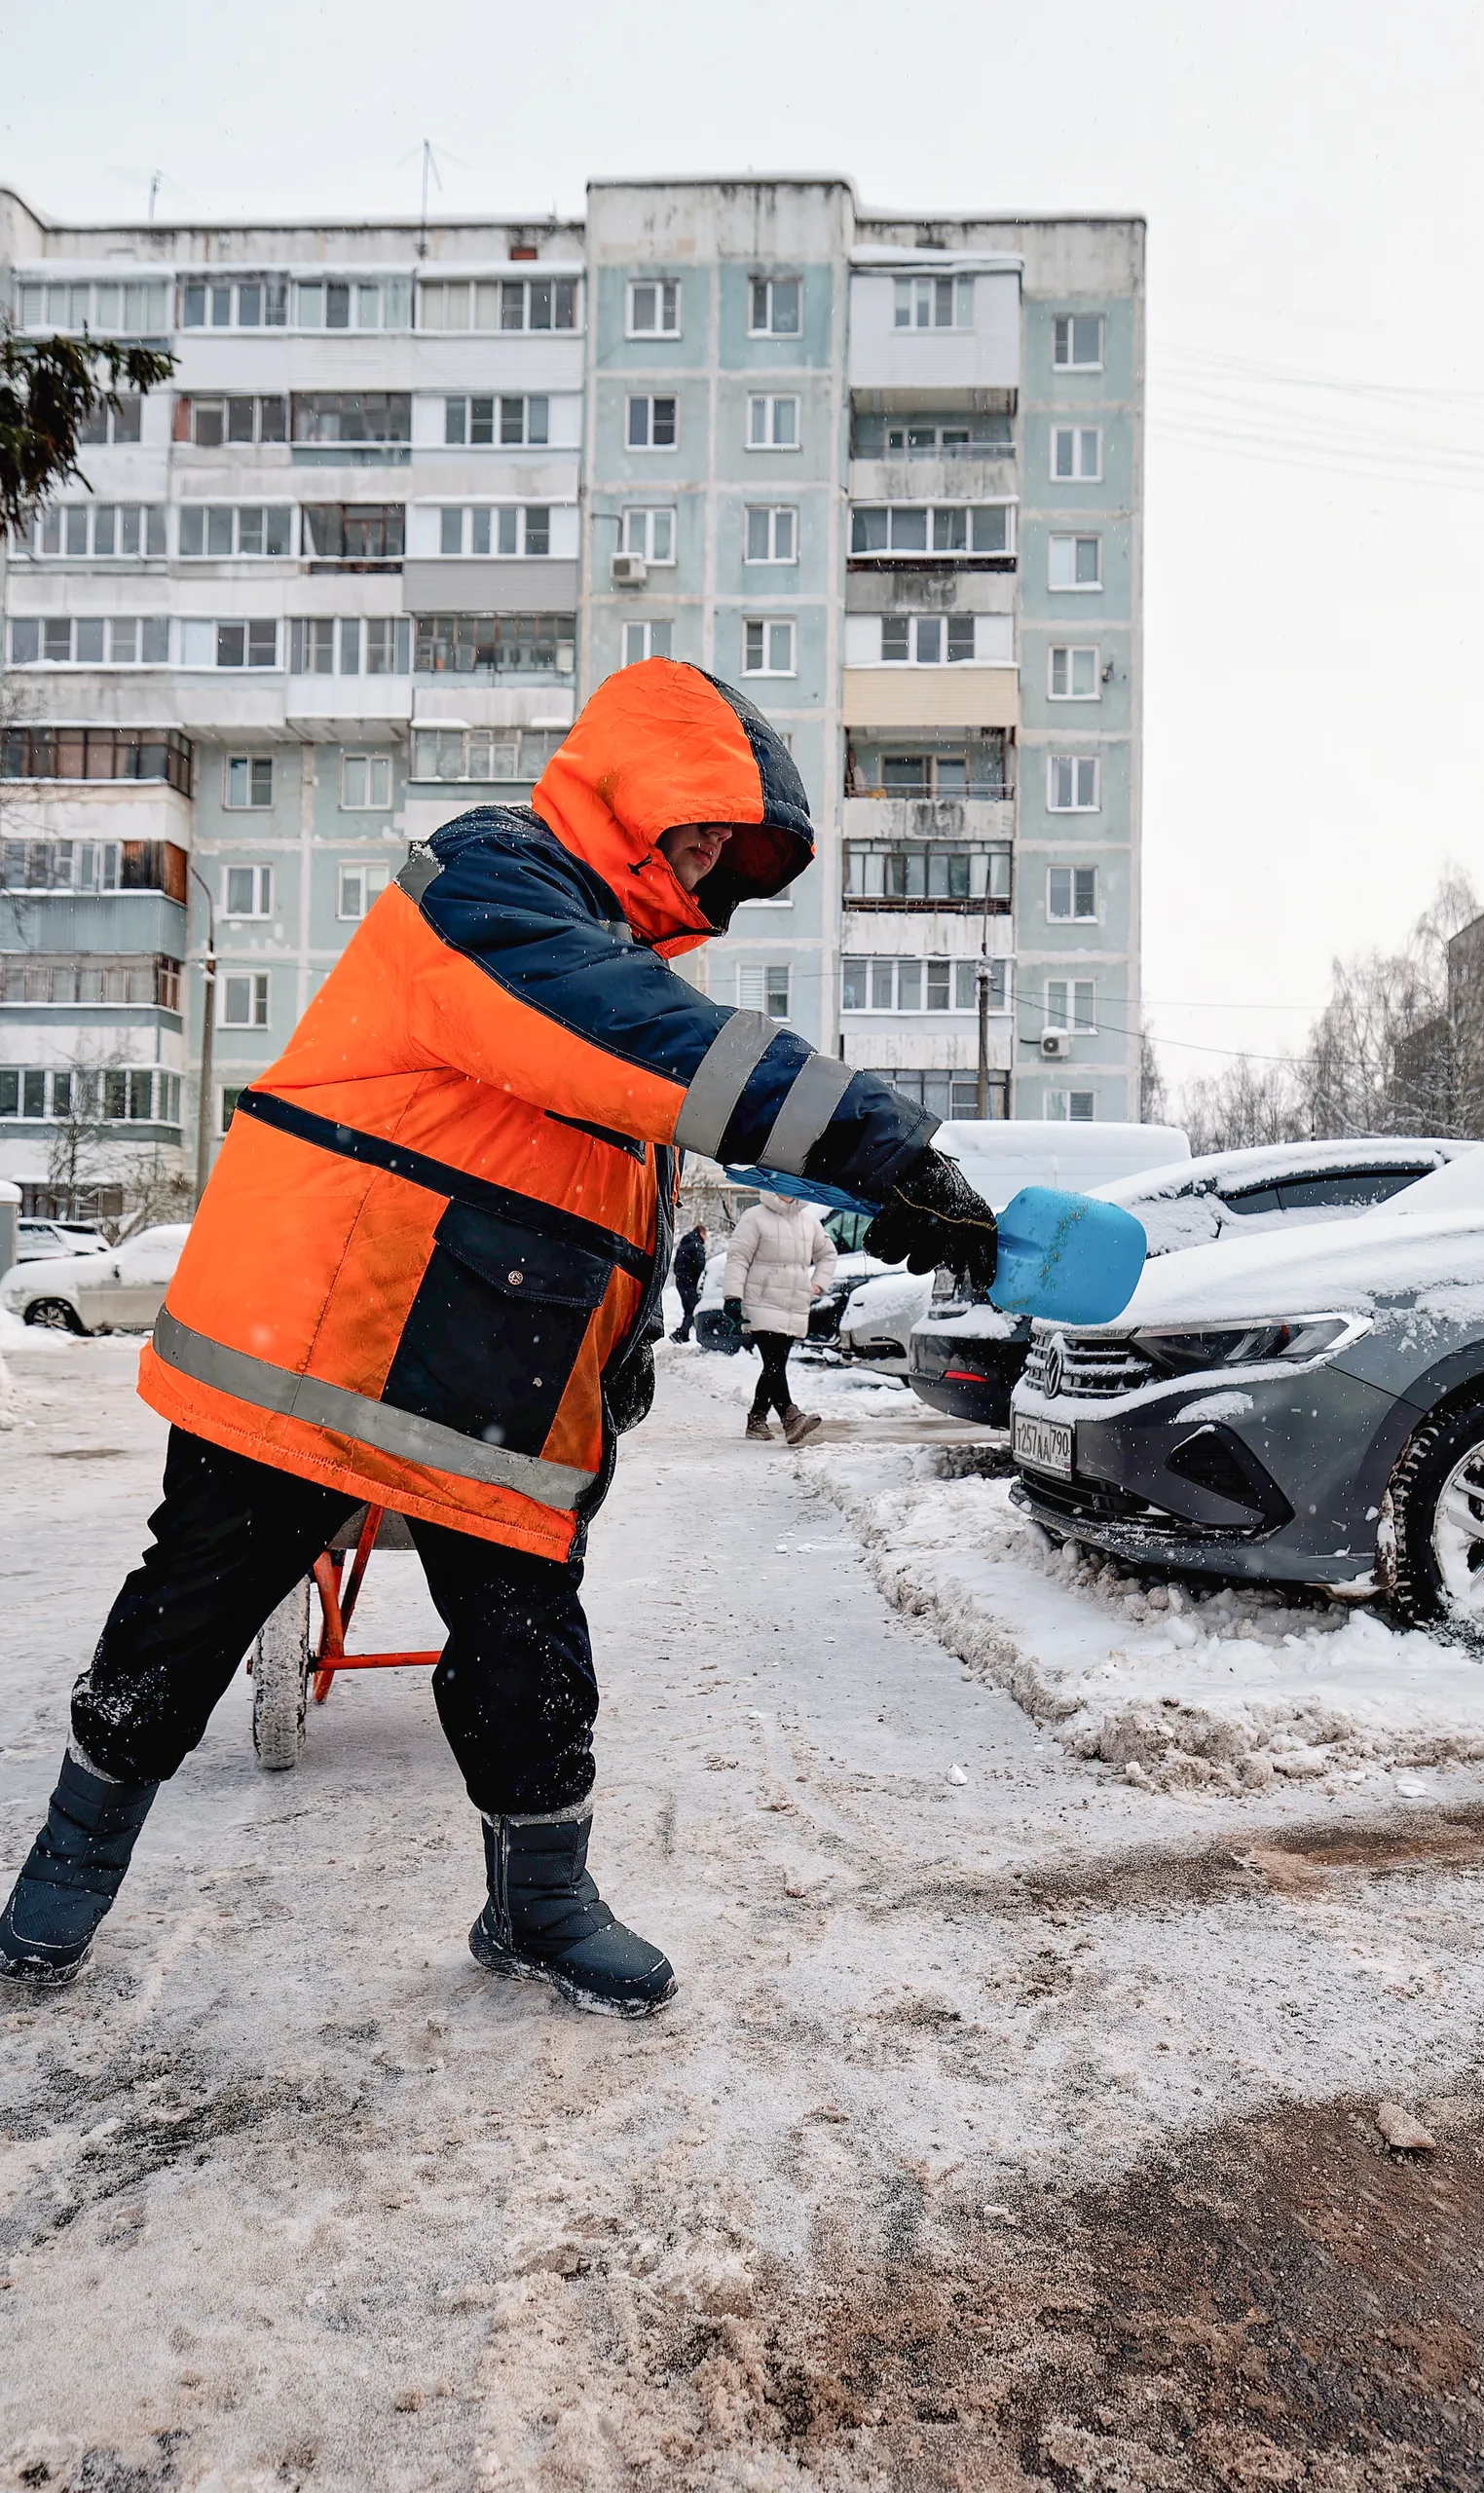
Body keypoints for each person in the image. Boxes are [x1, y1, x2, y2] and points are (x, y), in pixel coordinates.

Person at [0, 658, 998, 2018]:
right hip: (318, 1338)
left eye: (729, 846)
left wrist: (630, 1349)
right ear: (636, 791)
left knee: (528, 1649)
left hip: (484, 1367)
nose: (709, 857)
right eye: (699, 823)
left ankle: (539, 1905)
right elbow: (641, 1041)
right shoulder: (488, 885)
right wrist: (884, 1137)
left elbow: (605, 1193)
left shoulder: (608, 954)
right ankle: (58, 1887)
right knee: (186, 1618)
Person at [721, 1193, 835, 1444]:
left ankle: (757, 1418)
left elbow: (828, 1254)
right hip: (760, 1301)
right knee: (773, 1362)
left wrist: (818, 1284)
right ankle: (790, 1416)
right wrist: (732, 1297)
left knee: (775, 1365)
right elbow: (738, 1258)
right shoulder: (754, 1218)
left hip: (794, 1304)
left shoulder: (808, 1222)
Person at [670, 1220, 708, 1342]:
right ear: (701, 1233)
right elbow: (700, 1265)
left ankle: (682, 1335)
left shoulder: (685, 1243)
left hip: (681, 1282)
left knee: (688, 1310)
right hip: (691, 1283)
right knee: (692, 1310)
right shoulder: (696, 1246)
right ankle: (680, 1335)